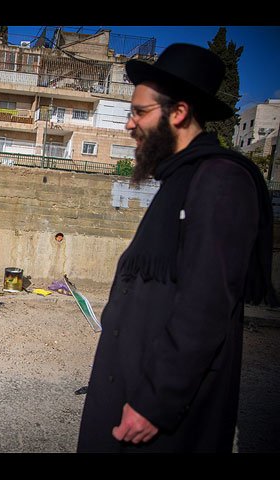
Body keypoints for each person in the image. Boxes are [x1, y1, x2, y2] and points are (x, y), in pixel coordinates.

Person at [76, 44, 277, 452]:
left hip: (159, 416)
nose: (129, 125)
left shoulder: (220, 180)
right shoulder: (178, 181)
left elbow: (205, 308)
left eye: (140, 112)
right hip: (128, 390)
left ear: (179, 112)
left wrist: (154, 404)